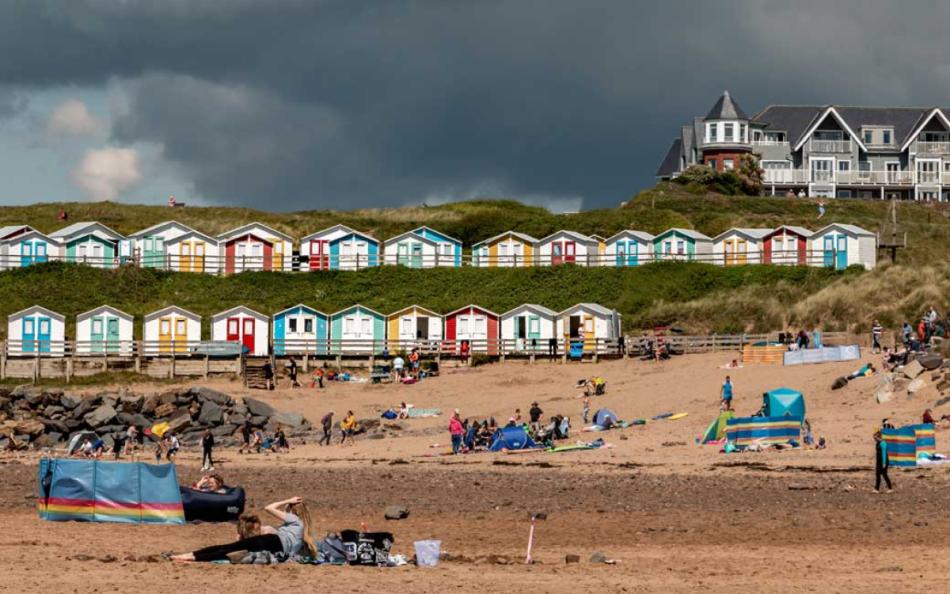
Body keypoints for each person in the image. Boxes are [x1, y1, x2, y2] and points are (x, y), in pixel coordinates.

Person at [171, 496, 316, 562]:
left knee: (228, 547)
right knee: (230, 550)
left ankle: (190, 555)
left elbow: (268, 508)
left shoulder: (295, 520)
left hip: (272, 542)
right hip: (276, 548)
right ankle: (191, 556)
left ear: (292, 510)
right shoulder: (302, 530)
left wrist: (287, 500)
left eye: (287, 508)